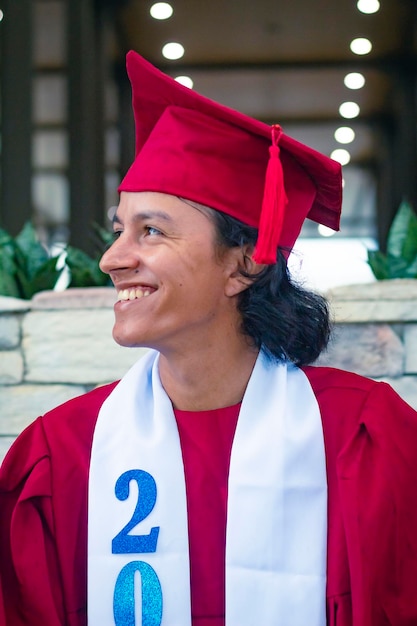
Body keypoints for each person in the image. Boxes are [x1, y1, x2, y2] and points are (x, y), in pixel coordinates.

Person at [1, 52, 417, 626]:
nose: (112, 258)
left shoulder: (365, 440)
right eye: (120, 228)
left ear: (242, 263)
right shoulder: (62, 454)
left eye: (151, 231)